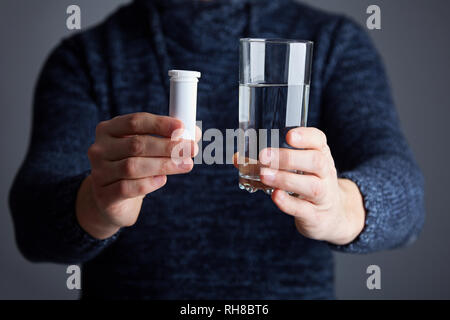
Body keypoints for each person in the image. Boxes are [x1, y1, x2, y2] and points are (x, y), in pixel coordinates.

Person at [9, 0, 425, 299]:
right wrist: (95, 206)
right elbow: (31, 225)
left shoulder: (333, 44)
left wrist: (341, 208)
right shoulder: (86, 58)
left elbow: (407, 194)